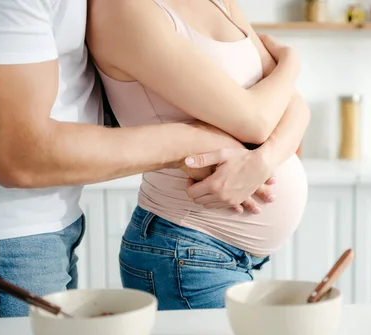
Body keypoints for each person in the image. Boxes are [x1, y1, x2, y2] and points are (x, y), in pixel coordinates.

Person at [0, 0, 298, 319]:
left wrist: (264, 157)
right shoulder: (122, 10)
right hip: (7, 235)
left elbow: (289, 107)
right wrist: (199, 142)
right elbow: (21, 155)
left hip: (55, 220)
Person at [86, 0, 310, 310]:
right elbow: (257, 121)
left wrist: (265, 160)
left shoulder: (221, 2)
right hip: (185, 248)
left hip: (217, 252)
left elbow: (297, 107)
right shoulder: (122, 8)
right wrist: (291, 64)